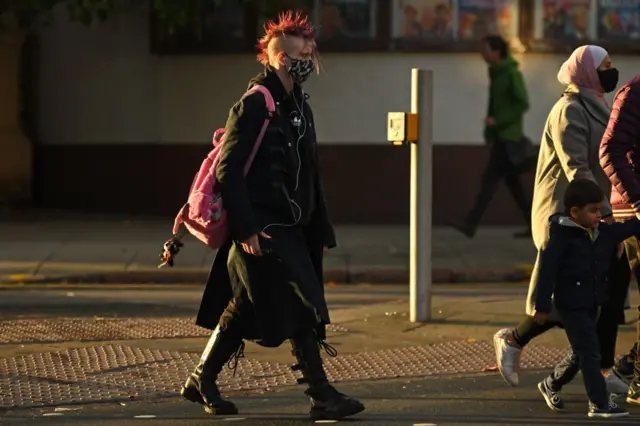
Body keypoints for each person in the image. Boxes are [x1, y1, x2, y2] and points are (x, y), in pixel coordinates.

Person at [179, 12, 365, 421]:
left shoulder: (298, 103)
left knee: (246, 308)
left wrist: (319, 231)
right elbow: (229, 170)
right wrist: (245, 228)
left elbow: (308, 175)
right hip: (261, 228)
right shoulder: (253, 104)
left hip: (291, 227)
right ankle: (320, 394)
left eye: (311, 51)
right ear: (280, 58)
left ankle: (201, 379)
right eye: (303, 52)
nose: (310, 59)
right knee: (300, 306)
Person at [492, 45, 630, 394]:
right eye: (604, 67)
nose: (611, 73)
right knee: (568, 296)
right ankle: (514, 339)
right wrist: (607, 213)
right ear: (584, 71)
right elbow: (577, 170)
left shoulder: (598, 104)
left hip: (594, 213)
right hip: (567, 214)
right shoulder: (569, 109)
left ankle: (603, 369)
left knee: (608, 292)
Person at [534, 178, 636, 418]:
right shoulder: (561, 239)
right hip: (571, 305)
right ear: (574, 212)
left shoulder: (600, 232)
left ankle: (551, 383)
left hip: (593, 303)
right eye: (593, 210)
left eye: (599, 209)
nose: (598, 215)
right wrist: (542, 306)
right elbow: (546, 273)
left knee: (581, 353)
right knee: (591, 352)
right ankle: (599, 403)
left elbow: (625, 229)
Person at [451, 35, 532, 239]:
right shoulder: (496, 73)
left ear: (496, 52)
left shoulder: (511, 73)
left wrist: (498, 121)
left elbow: (522, 103)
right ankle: (534, 224)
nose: (482, 54)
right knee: (514, 187)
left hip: (508, 137)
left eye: (485, 50)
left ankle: (470, 223)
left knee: (489, 181)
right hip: (501, 136)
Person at [600, 74, 640, 405]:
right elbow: (610, 149)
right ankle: (637, 380)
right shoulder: (634, 91)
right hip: (634, 211)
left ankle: (628, 368)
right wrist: (638, 201)